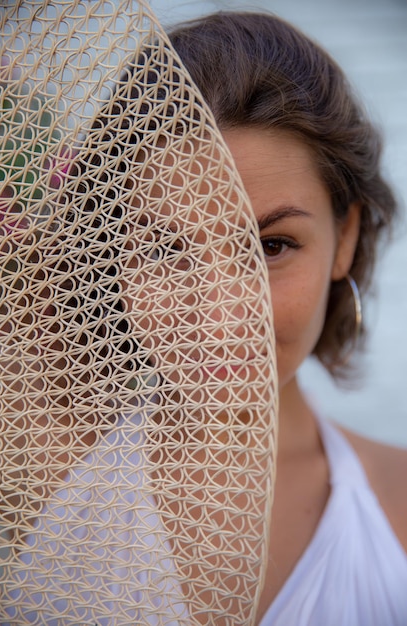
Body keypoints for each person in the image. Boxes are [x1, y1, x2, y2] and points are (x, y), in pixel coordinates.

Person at [166, 10, 407, 625]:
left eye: (272, 247)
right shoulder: (38, 476)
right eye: (166, 249)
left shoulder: (400, 506)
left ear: (345, 237)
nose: (218, 316)